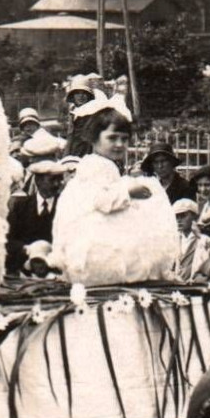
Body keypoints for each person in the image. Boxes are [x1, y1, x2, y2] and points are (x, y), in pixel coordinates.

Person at [51, 95, 178, 285]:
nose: (119, 144)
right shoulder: (97, 166)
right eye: (112, 138)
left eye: (124, 139)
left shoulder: (101, 163)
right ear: (94, 139)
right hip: (93, 231)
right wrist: (129, 192)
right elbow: (102, 200)